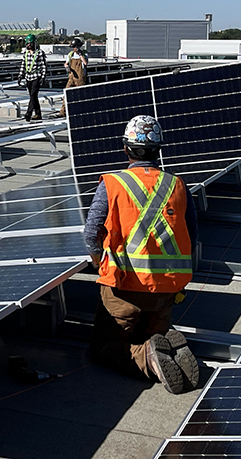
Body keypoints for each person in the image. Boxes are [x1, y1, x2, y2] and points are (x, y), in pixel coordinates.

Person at [83, 115, 200, 394]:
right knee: (152, 330)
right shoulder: (177, 185)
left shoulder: (113, 183)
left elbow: (91, 232)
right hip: (166, 291)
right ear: (158, 150)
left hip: (124, 287)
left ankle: (147, 357)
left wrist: (101, 262)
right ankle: (162, 342)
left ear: (126, 149)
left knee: (104, 346)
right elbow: (191, 235)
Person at [16, 33, 47, 121]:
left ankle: (28, 113)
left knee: (33, 95)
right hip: (28, 77)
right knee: (33, 97)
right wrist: (20, 75)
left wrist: (43, 77)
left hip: (36, 76)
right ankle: (38, 114)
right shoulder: (25, 53)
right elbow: (23, 65)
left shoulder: (40, 53)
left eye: (30, 43)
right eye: (27, 43)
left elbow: (43, 65)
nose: (29, 45)